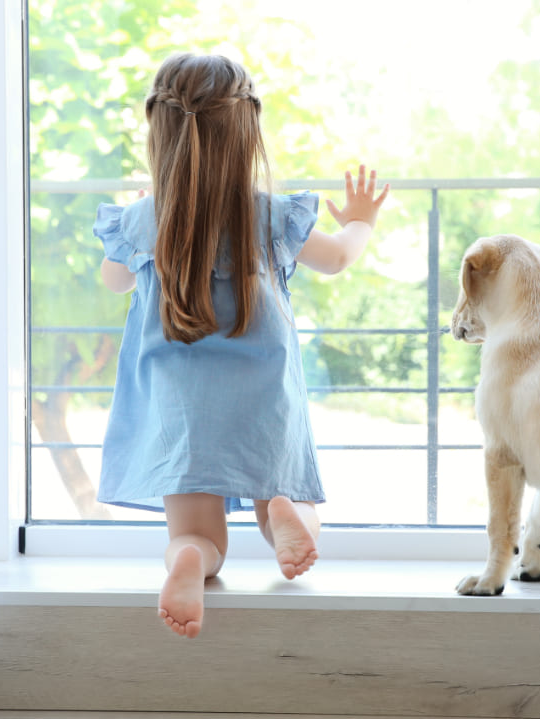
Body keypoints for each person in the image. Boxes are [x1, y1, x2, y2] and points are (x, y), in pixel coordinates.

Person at [93, 53, 389, 638]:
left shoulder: (145, 220)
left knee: (199, 535)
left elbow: (115, 279)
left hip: (181, 408)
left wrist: (140, 234)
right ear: (247, 132)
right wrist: (360, 221)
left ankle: (188, 562)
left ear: (160, 132)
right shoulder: (270, 215)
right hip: (262, 396)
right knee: (293, 497)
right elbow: (336, 260)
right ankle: (283, 513)